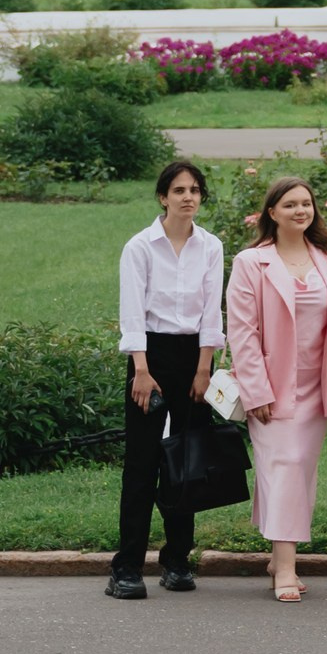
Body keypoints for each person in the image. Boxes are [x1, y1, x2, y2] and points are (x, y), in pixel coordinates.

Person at [226, 177, 327, 604]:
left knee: (297, 471)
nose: (301, 210)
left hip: (316, 385)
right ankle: (288, 567)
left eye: (307, 203)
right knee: (285, 465)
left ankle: (279, 558)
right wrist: (256, 390)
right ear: (271, 213)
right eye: (291, 204)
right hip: (273, 388)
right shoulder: (250, 262)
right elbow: (242, 331)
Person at [108, 159, 223, 601]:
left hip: (194, 358)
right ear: (163, 196)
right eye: (179, 190)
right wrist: (141, 369)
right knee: (142, 463)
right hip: (149, 358)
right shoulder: (140, 247)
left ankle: (177, 560)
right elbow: (133, 313)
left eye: (195, 190)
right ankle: (127, 567)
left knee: (187, 462)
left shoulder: (210, 247)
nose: (188, 197)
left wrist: (203, 369)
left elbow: (212, 312)